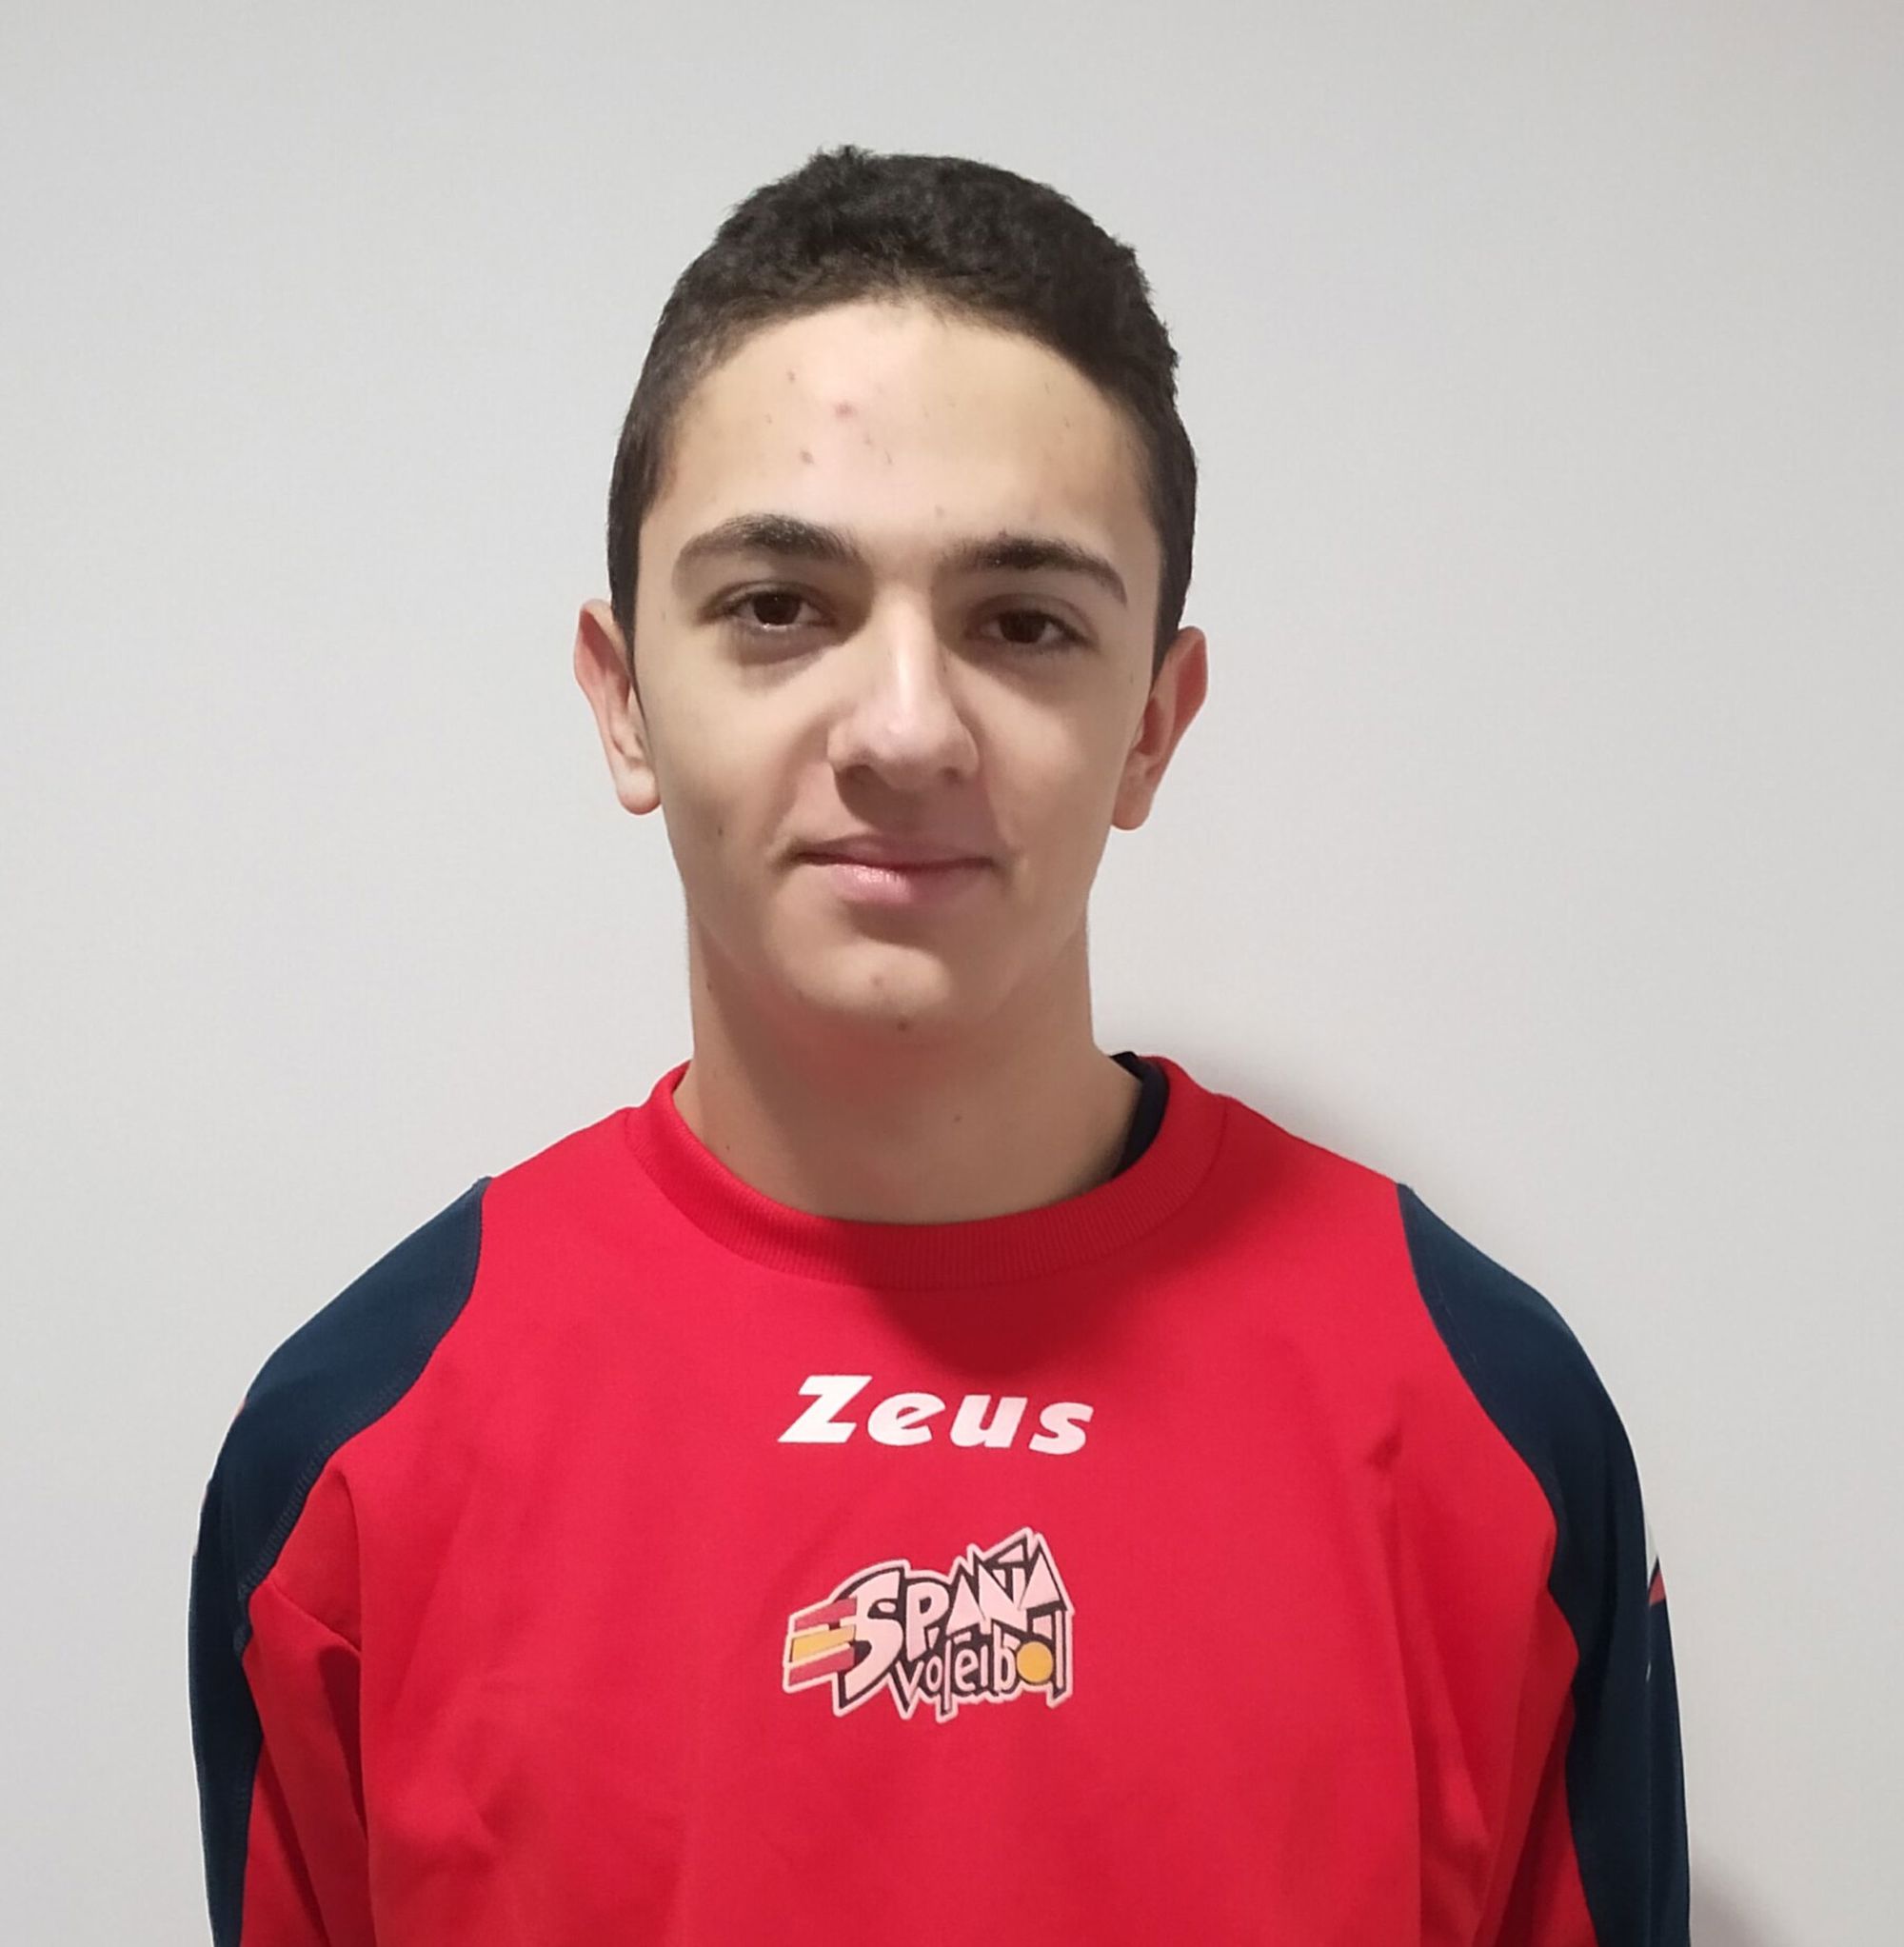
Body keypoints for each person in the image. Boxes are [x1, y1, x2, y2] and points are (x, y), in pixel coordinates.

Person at [188, 143, 1690, 1945]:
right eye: (778, 606)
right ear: (623, 694)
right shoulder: (353, 1457)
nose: (904, 729)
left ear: (1153, 726)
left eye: (1023, 623)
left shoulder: (1484, 1419)